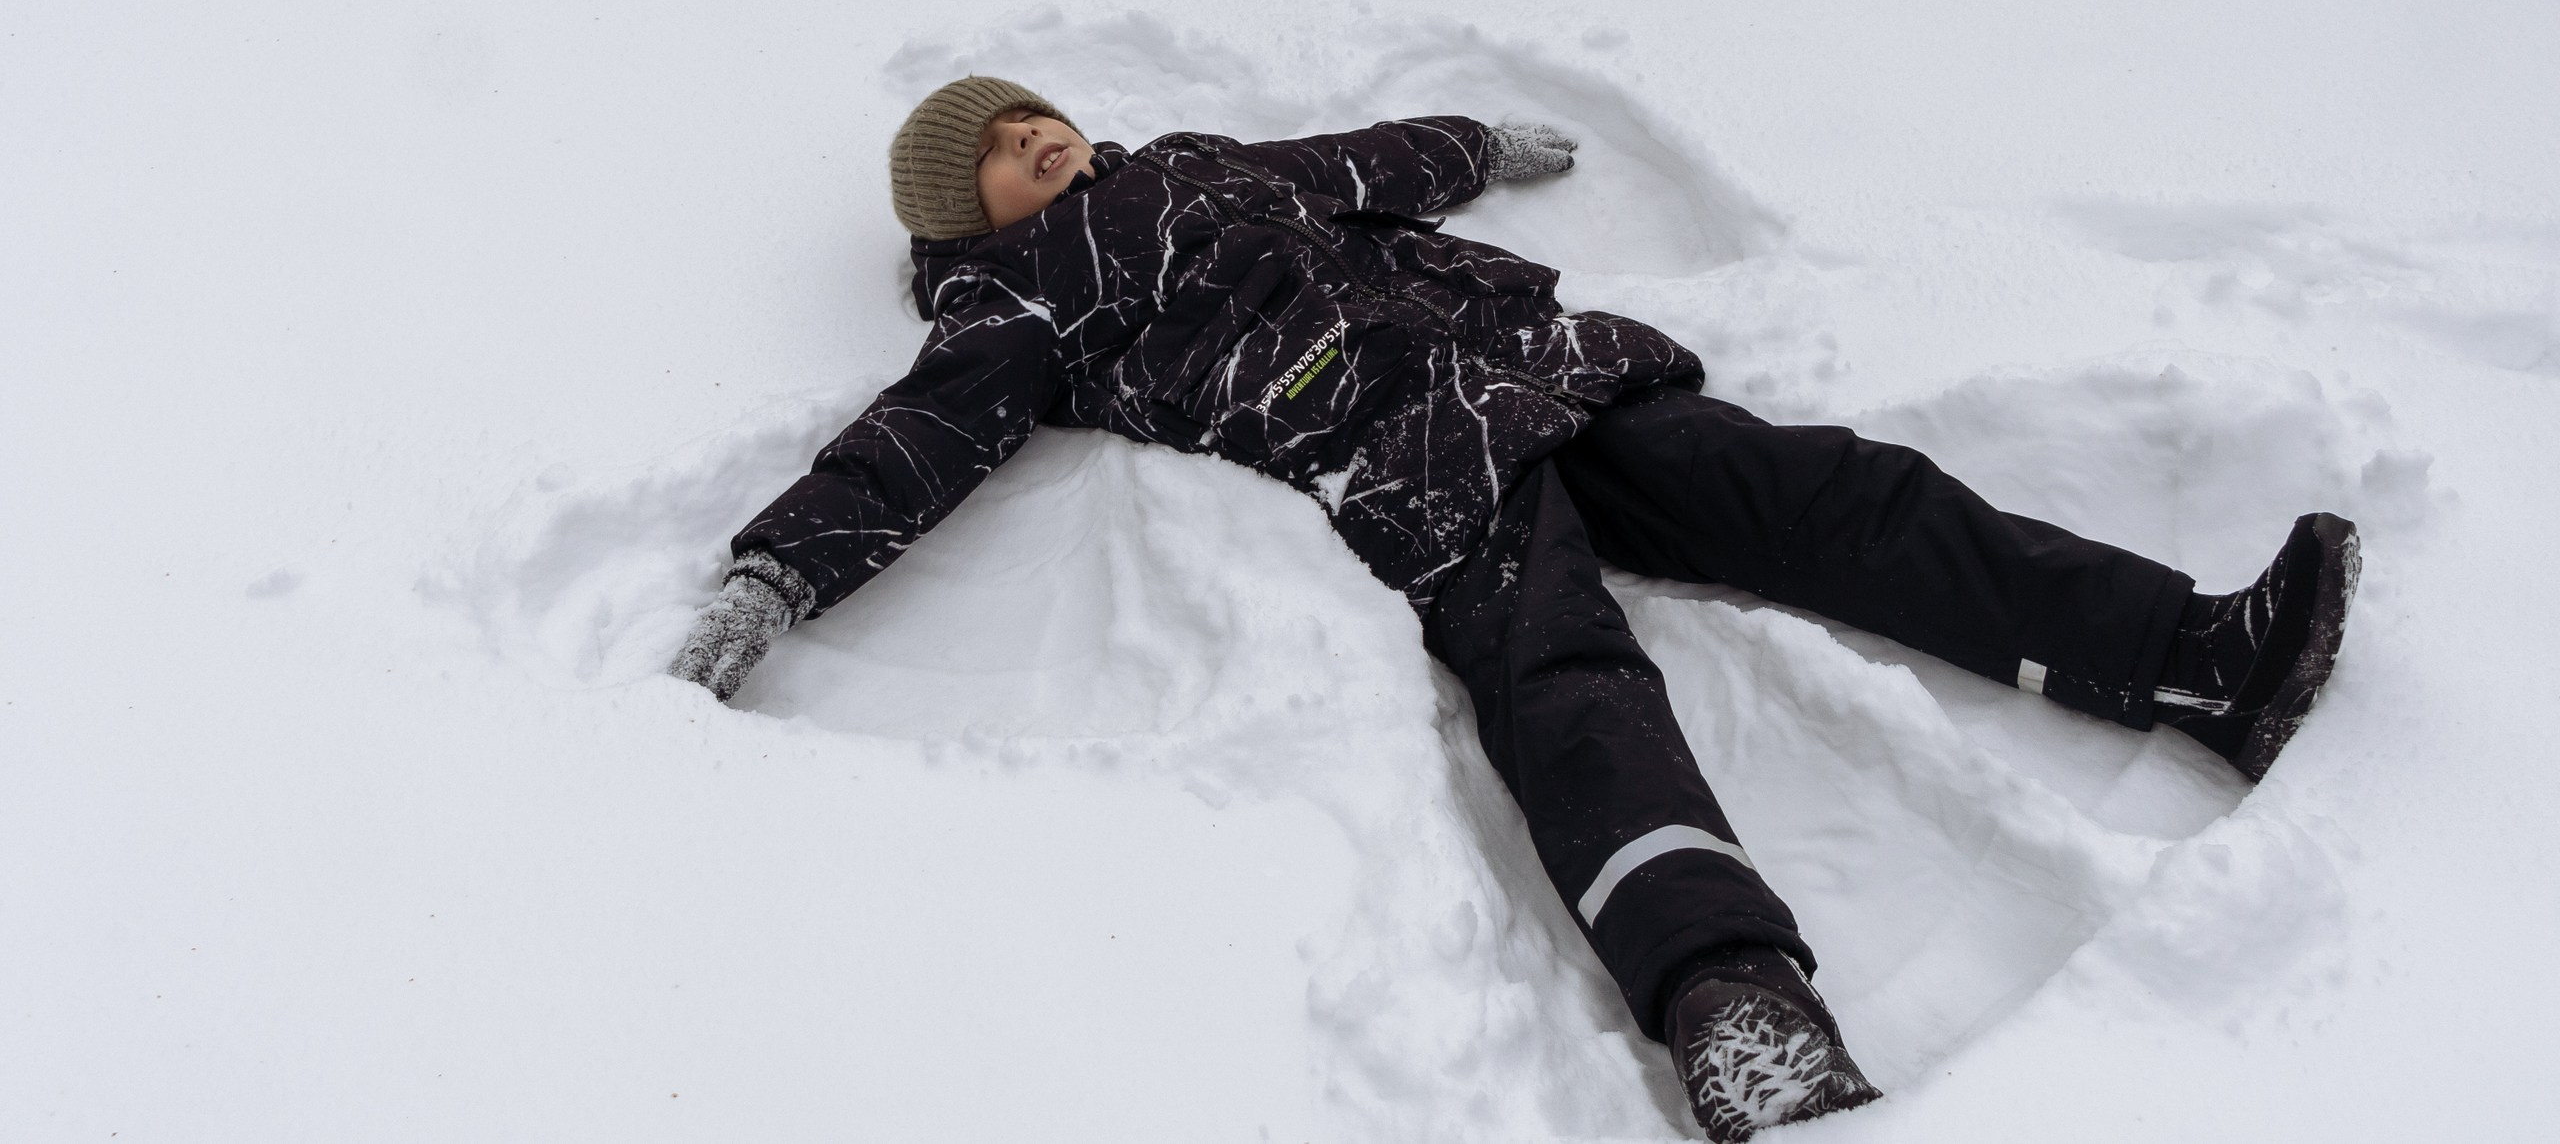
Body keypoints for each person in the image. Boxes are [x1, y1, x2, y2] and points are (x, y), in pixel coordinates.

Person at [670, 76, 2360, 1140]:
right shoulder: (1013, 303)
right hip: (1402, 460)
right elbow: (905, 447)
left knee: (1842, 494)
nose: (1040, 142)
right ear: (976, 221)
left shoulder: (1195, 161)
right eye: (1006, 161)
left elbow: (1354, 158)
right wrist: (772, 570)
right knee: (1569, 687)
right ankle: (1735, 1011)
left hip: (1540, 373)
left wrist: (1475, 144)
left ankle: (2196, 659)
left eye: (1035, 119)